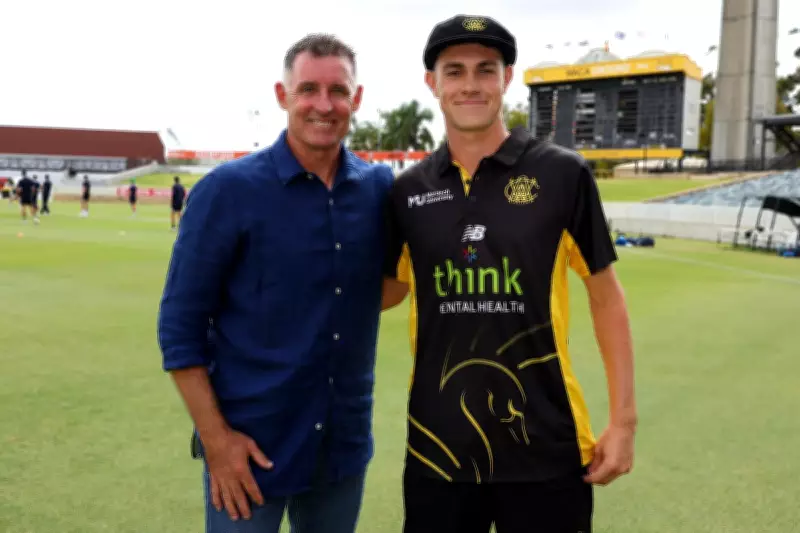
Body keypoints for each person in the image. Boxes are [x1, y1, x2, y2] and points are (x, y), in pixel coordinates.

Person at [383, 15, 637, 533]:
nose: (470, 84)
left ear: (508, 77)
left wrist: (624, 421)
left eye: (485, 69)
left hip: (547, 447)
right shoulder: (407, 190)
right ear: (432, 82)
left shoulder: (563, 174)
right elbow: (386, 292)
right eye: (454, 71)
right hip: (439, 450)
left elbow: (606, 297)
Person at [157, 33, 401, 533]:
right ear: (282, 94)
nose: (323, 105)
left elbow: (389, 287)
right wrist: (217, 442)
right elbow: (179, 329)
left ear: (356, 99)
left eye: (338, 91)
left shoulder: (380, 190)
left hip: (341, 447)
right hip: (248, 451)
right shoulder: (227, 192)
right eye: (308, 88)